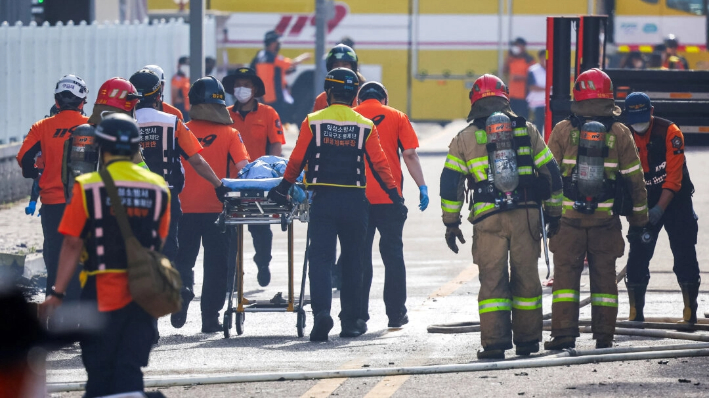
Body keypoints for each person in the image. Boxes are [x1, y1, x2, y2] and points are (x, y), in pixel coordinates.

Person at [39, 114, 171, 397]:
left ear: (101, 147)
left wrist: (57, 293)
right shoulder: (158, 188)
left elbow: (72, 244)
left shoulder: (88, 186)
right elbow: (158, 239)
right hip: (143, 294)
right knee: (130, 370)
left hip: (100, 293)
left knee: (100, 372)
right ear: (137, 147)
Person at [268, 68, 403, 342]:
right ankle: (351, 322)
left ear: (329, 92)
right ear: (354, 94)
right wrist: (395, 196)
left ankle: (322, 314)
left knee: (321, 258)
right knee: (353, 260)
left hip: (324, 201)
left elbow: (296, 160)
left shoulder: (313, 121)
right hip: (355, 202)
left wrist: (282, 188)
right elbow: (380, 165)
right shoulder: (365, 124)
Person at [440, 74, 561, 359]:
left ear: (474, 101)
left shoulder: (464, 138)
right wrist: (554, 213)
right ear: (505, 97)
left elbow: (450, 184)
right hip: (526, 215)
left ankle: (494, 344)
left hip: (488, 218)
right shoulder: (527, 130)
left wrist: (451, 222)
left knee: (493, 282)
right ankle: (529, 341)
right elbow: (551, 173)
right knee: (527, 279)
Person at [544, 68, 648, 350]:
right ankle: (604, 336)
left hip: (568, 221)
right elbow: (635, 179)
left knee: (565, 279)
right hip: (605, 221)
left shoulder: (563, 130)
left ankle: (564, 335)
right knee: (605, 280)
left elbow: (549, 176)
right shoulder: (620, 132)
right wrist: (640, 220)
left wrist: (549, 215)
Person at [129, 68, 230, 329]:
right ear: (159, 93)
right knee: (169, 251)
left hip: (130, 199)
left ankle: (148, 324)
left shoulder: (120, 123)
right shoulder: (171, 122)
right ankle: (180, 287)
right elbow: (196, 159)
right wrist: (218, 185)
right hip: (166, 197)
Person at [175, 76, 250, 333]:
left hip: (182, 209)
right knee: (217, 265)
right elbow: (243, 169)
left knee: (183, 259)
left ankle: (182, 294)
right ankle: (210, 318)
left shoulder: (181, 129)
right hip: (219, 210)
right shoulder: (231, 134)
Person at [354, 81, 428, 328]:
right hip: (390, 197)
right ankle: (396, 314)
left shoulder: (350, 116)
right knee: (393, 256)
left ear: (359, 99)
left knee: (359, 257)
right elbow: (409, 154)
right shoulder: (398, 116)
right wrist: (422, 187)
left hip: (357, 197)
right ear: (384, 99)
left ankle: (358, 316)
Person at [622, 92, 700, 323]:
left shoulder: (671, 132)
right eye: (634, 119)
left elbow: (674, 180)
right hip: (643, 199)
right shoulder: (624, 135)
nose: (639, 124)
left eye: (643, 117)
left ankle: (689, 314)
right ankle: (636, 315)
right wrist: (638, 209)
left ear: (652, 111)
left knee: (684, 251)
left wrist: (658, 209)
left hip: (676, 200)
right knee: (638, 254)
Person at [16, 74, 89, 302]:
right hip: (84, 205)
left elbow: (23, 158)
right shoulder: (91, 126)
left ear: (57, 102)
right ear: (82, 102)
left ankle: (55, 318)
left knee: (55, 258)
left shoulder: (42, 127)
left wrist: (34, 173)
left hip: (52, 205)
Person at [222, 67, 285, 287]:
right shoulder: (225, 114)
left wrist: (272, 173)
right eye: (238, 84)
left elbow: (276, 145)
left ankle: (262, 262)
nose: (242, 89)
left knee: (261, 231)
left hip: (259, 183)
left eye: (247, 85)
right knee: (229, 232)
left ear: (255, 89)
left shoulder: (269, 114)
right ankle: (231, 276)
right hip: (231, 182)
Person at [251, 30, 310, 118]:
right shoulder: (273, 58)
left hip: (262, 96)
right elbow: (291, 63)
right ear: (272, 43)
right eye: (277, 42)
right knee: (275, 119)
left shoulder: (259, 56)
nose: (278, 45)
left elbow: (270, 72)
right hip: (274, 96)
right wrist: (303, 57)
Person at [312, 44, 363, 112]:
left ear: (353, 67)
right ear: (330, 68)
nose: (341, 68)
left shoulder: (362, 96)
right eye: (336, 65)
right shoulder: (321, 99)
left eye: (345, 64)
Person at [503, 37, 534, 119]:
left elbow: (533, 77)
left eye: (518, 46)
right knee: (511, 117)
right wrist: (507, 57)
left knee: (524, 118)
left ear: (523, 47)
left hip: (524, 95)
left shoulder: (529, 60)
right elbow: (504, 70)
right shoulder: (511, 59)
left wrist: (520, 77)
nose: (516, 48)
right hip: (512, 94)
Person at [526, 49, 547, 133]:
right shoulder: (533, 70)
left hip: (549, 102)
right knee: (539, 125)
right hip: (537, 103)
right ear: (540, 58)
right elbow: (531, 87)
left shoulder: (553, 69)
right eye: (543, 57)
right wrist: (547, 89)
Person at [171, 56, 191, 121]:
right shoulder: (177, 79)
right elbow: (174, 97)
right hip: (181, 109)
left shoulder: (188, 78)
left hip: (190, 109)